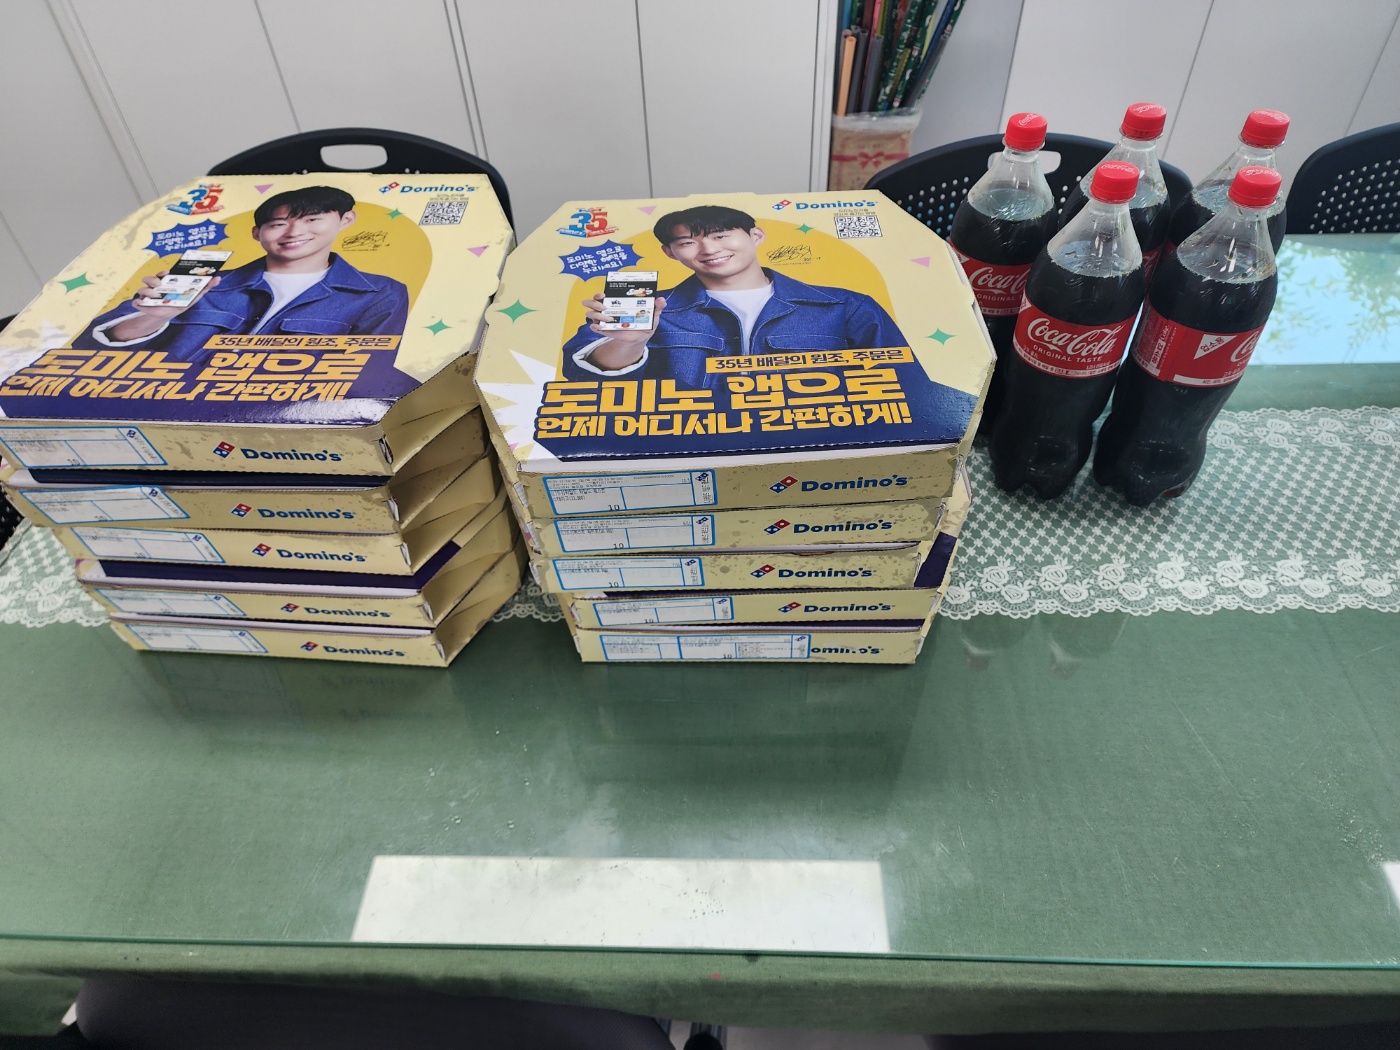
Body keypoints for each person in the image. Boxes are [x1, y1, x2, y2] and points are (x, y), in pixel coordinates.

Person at [562, 205, 906, 387]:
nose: (709, 249)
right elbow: (581, 380)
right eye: (688, 242)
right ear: (670, 253)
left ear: (756, 235)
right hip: (686, 448)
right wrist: (629, 344)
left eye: (721, 235)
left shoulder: (845, 306)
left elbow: (903, 384)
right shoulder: (649, 308)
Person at [78, 185, 409, 362]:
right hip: (164, 409)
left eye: (312, 220)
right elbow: (84, 351)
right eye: (278, 224)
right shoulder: (200, 279)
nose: (294, 232)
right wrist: (153, 319)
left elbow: (371, 368)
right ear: (257, 233)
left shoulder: (380, 293)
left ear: (345, 220)